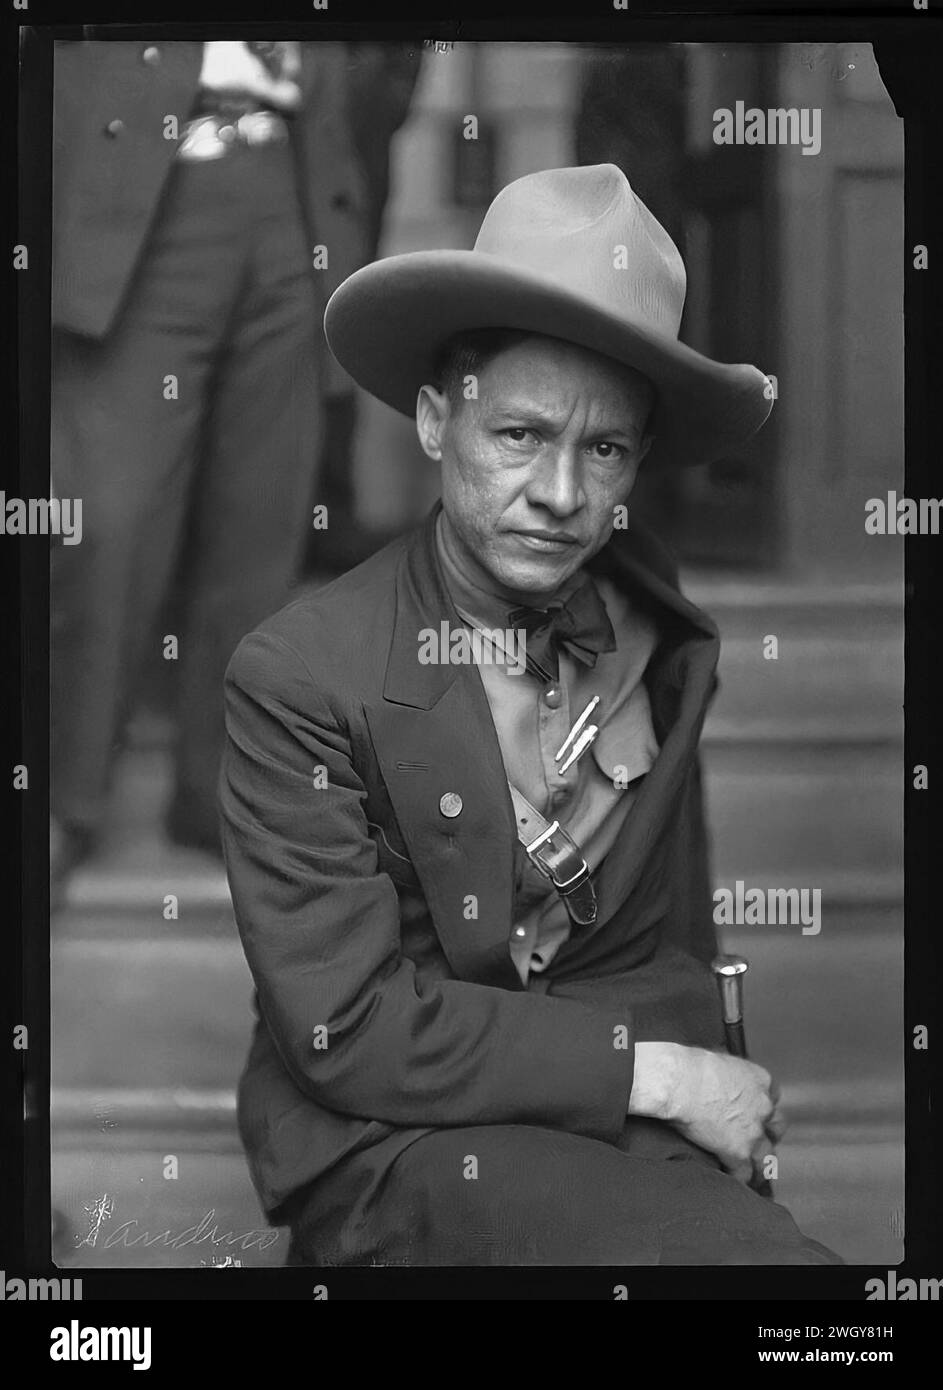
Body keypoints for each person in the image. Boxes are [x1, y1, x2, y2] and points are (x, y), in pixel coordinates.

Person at [218, 163, 842, 1266]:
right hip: (395, 1139)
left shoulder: (658, 636)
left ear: (635, 468)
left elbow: (666, 940)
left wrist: (687, 1088)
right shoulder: (298, 677)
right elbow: (347, 1029)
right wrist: (656, 1072)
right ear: (431, 419)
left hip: (611, 1120)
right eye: (519, 435)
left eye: (601, 449)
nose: (560, 492)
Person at [50, 38, 368, 895]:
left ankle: (218, 793)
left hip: (293, 182)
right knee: (103, 524)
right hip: (145, 177)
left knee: (260, 526)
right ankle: (57, 802)